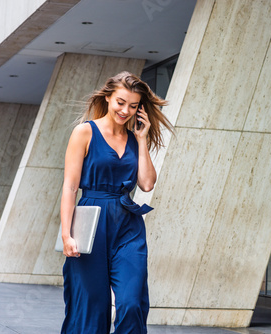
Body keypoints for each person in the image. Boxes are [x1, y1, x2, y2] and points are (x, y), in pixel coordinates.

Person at [60, 71, 173, 333]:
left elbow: (146, 184)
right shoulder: (84, 132)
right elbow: (69, 187)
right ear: (108, 97)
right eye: (121, 102)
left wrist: (143, 140)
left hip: (128, 226)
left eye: (133, 106)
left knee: (132, 302)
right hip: (91, 226)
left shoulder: (136, 139)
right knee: (91, 306)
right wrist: (67, 234)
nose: (126, 110)